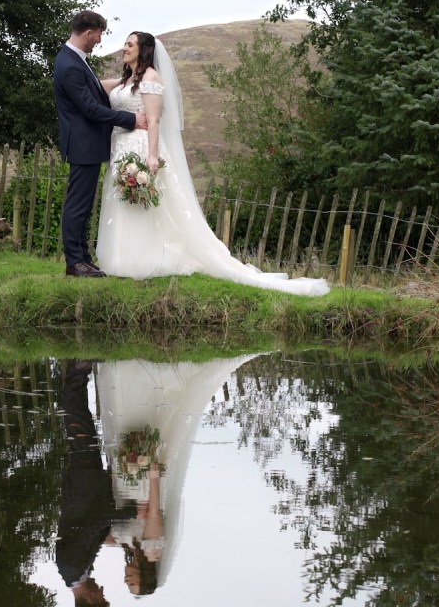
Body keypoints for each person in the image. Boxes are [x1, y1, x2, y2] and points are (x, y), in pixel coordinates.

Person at [95, 32, 330, 296]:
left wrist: (151, 156)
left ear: (143, 50)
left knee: (143, 203)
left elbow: (154, 119)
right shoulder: (126, 80)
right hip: (121, 147)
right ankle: (122, 258)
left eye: (129, 44)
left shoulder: (150, 77)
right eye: (125, 44)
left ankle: (144, 259)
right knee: (123, 201)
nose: (124, 48)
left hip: (140, 146)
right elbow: (99, 85)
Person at [94, 352, 265, 594]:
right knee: (142, 419)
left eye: (128, 584)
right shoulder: (152, 548)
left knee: (124, 421)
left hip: (124, 485)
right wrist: (152, 476)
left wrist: (89, 542)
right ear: (145, 577)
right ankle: (144, 370)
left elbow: (107, 535)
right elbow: (154, 510)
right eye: (132, 583)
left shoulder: (131, 549)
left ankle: (126, 365)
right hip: (141, 483)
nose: (126, 581)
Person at [53, 11, 148, 278]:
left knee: (82, 205)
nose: (99, 40)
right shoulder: (70, 65)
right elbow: (91, 109)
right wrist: (131, 119)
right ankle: (75, 262)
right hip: (83, 144)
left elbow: (93, 96)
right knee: (77, 205)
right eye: (98, 35)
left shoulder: (75, 60)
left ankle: (83, 258)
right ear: (88, 33)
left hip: (87, 144)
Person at [55, 359, 135, 606]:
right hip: (87, 484)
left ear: (89, 601)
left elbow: (91, 525)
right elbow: (94, 534)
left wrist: (124, 515)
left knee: (77, 423)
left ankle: (77, 371)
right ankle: (79, 372)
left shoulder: (72, 567)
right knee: (82, 425)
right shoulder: (79, 570)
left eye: (102, 598)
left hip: (83, 484)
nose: (103, 593)